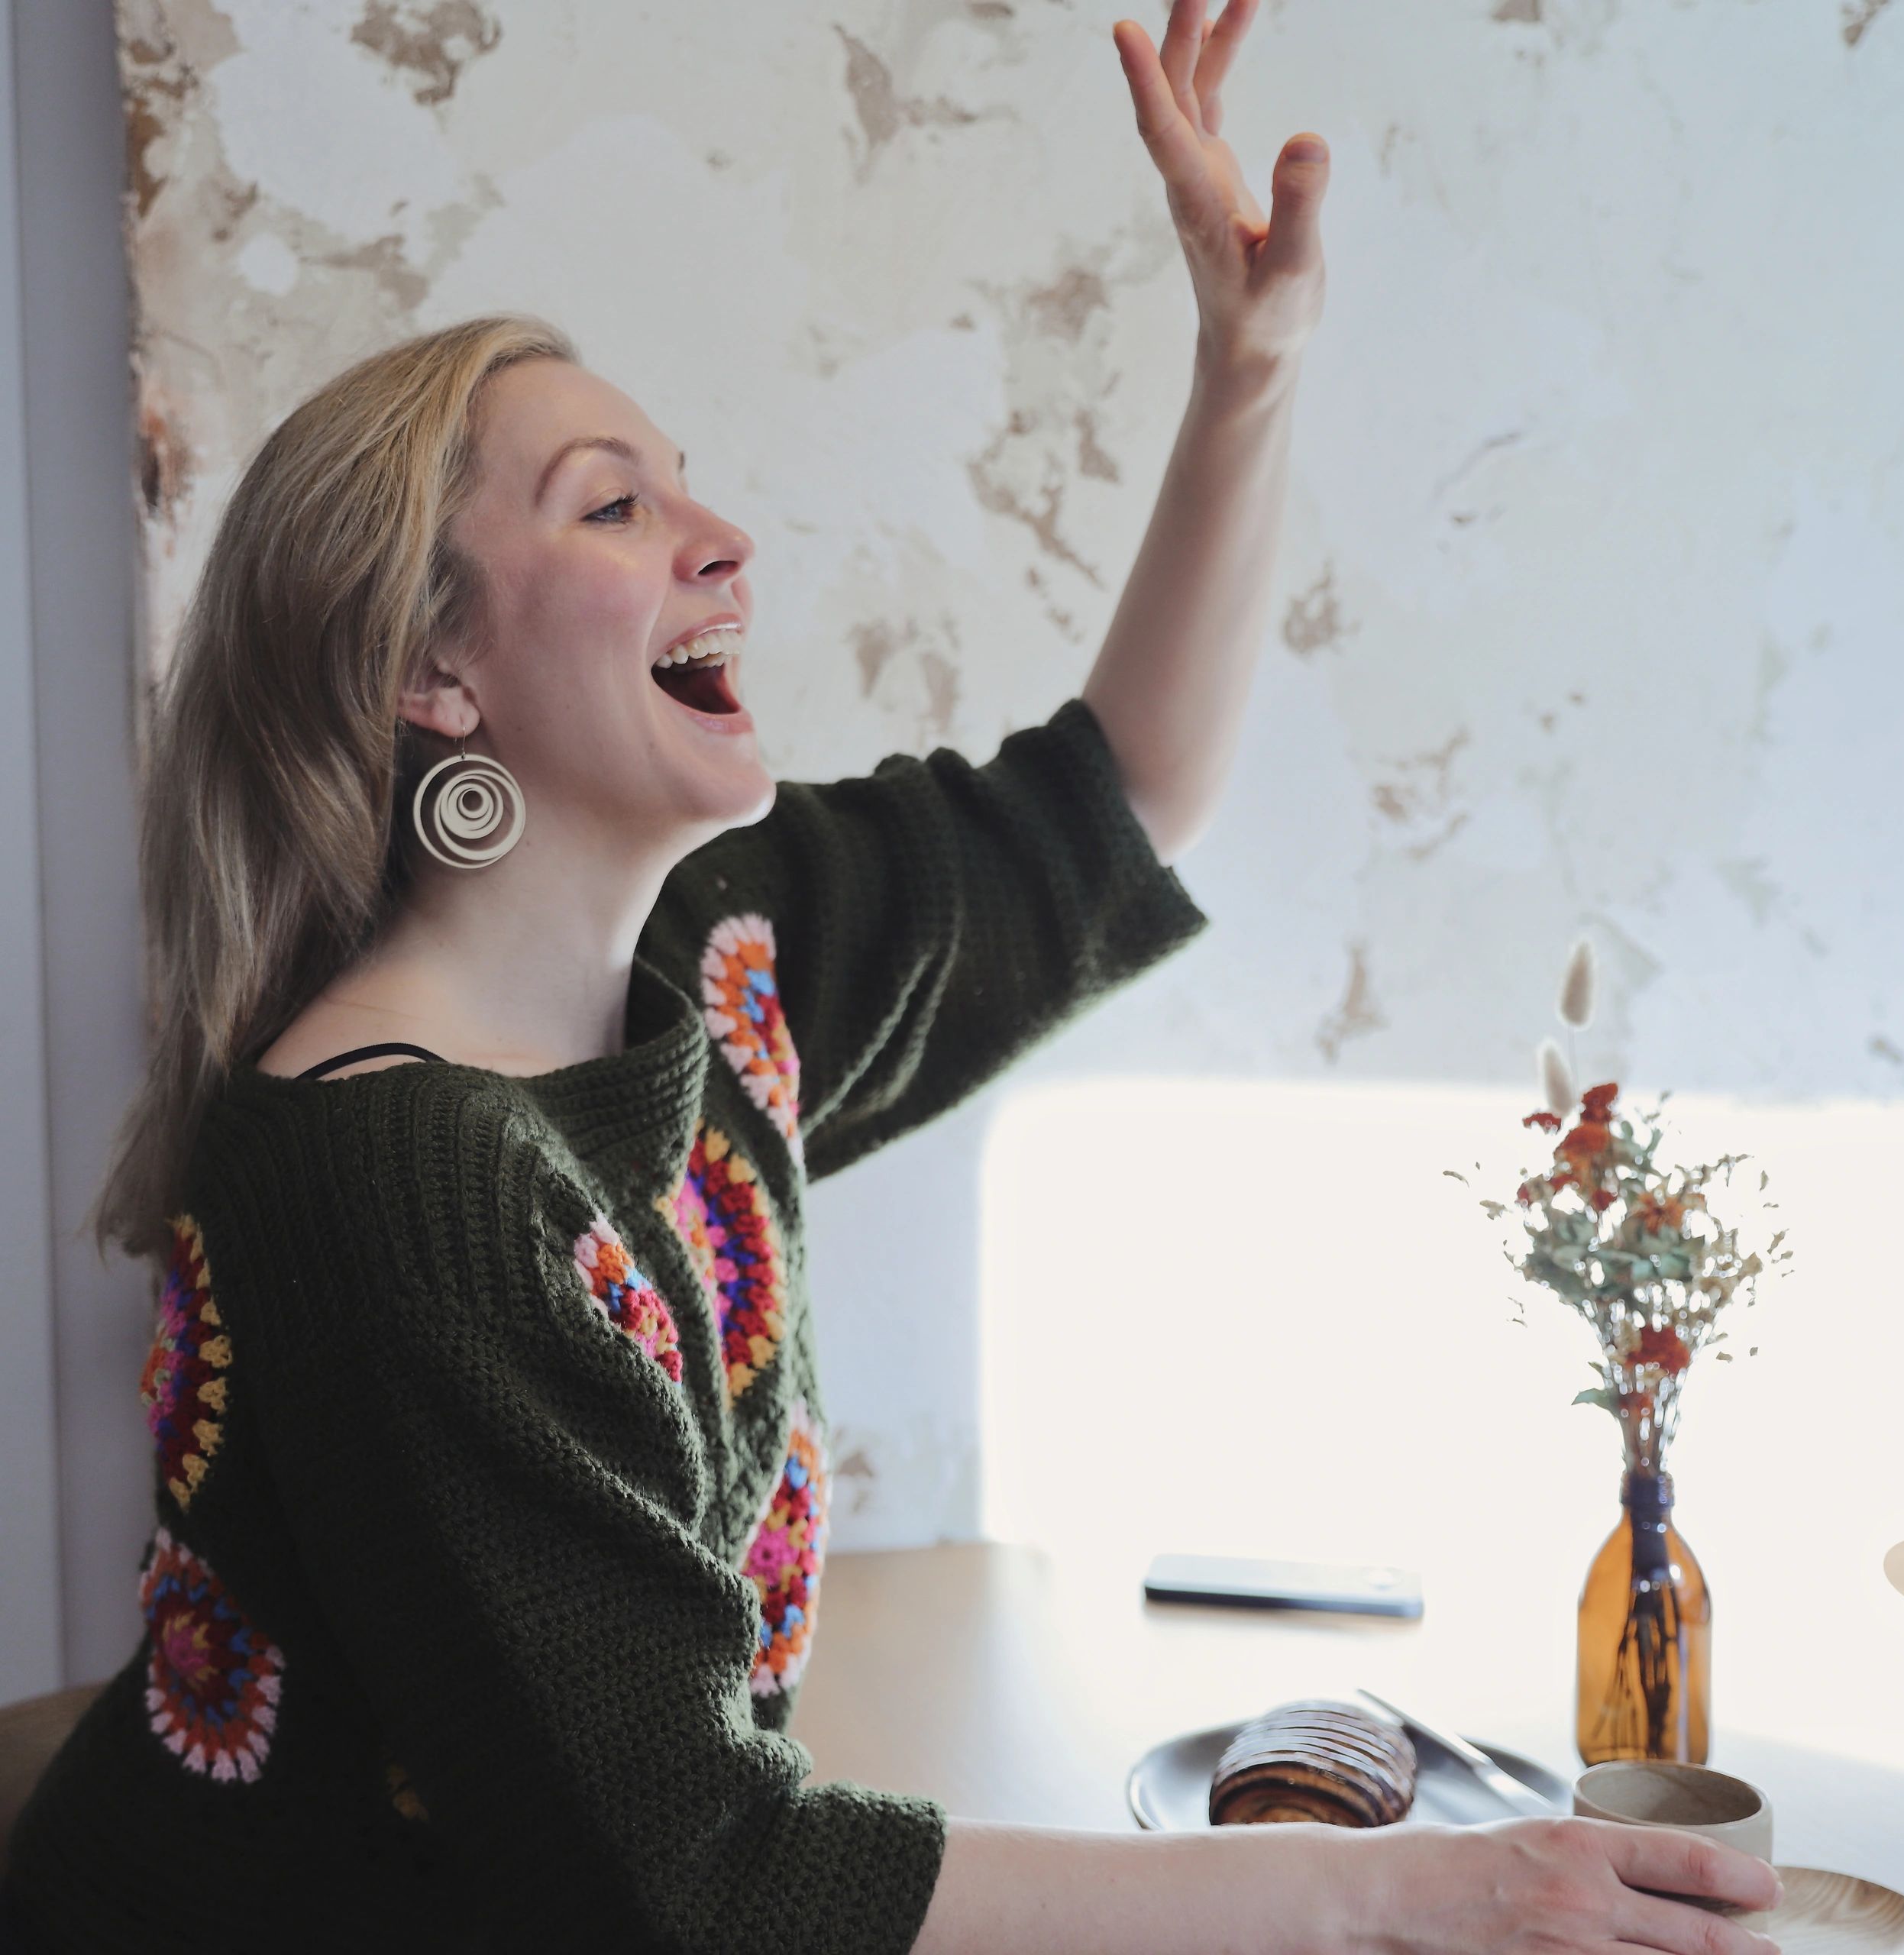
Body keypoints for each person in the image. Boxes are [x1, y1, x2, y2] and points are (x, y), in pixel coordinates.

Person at [2, 3, 1783, 1950]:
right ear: (434, 677)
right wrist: (1406, 1890)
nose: (723, 539)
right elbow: (703, 1881)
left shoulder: (703, 962)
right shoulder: (397, 1187)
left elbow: (1121, 799)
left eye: (685, 482)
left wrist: (1246, 369)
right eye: (615, 505)